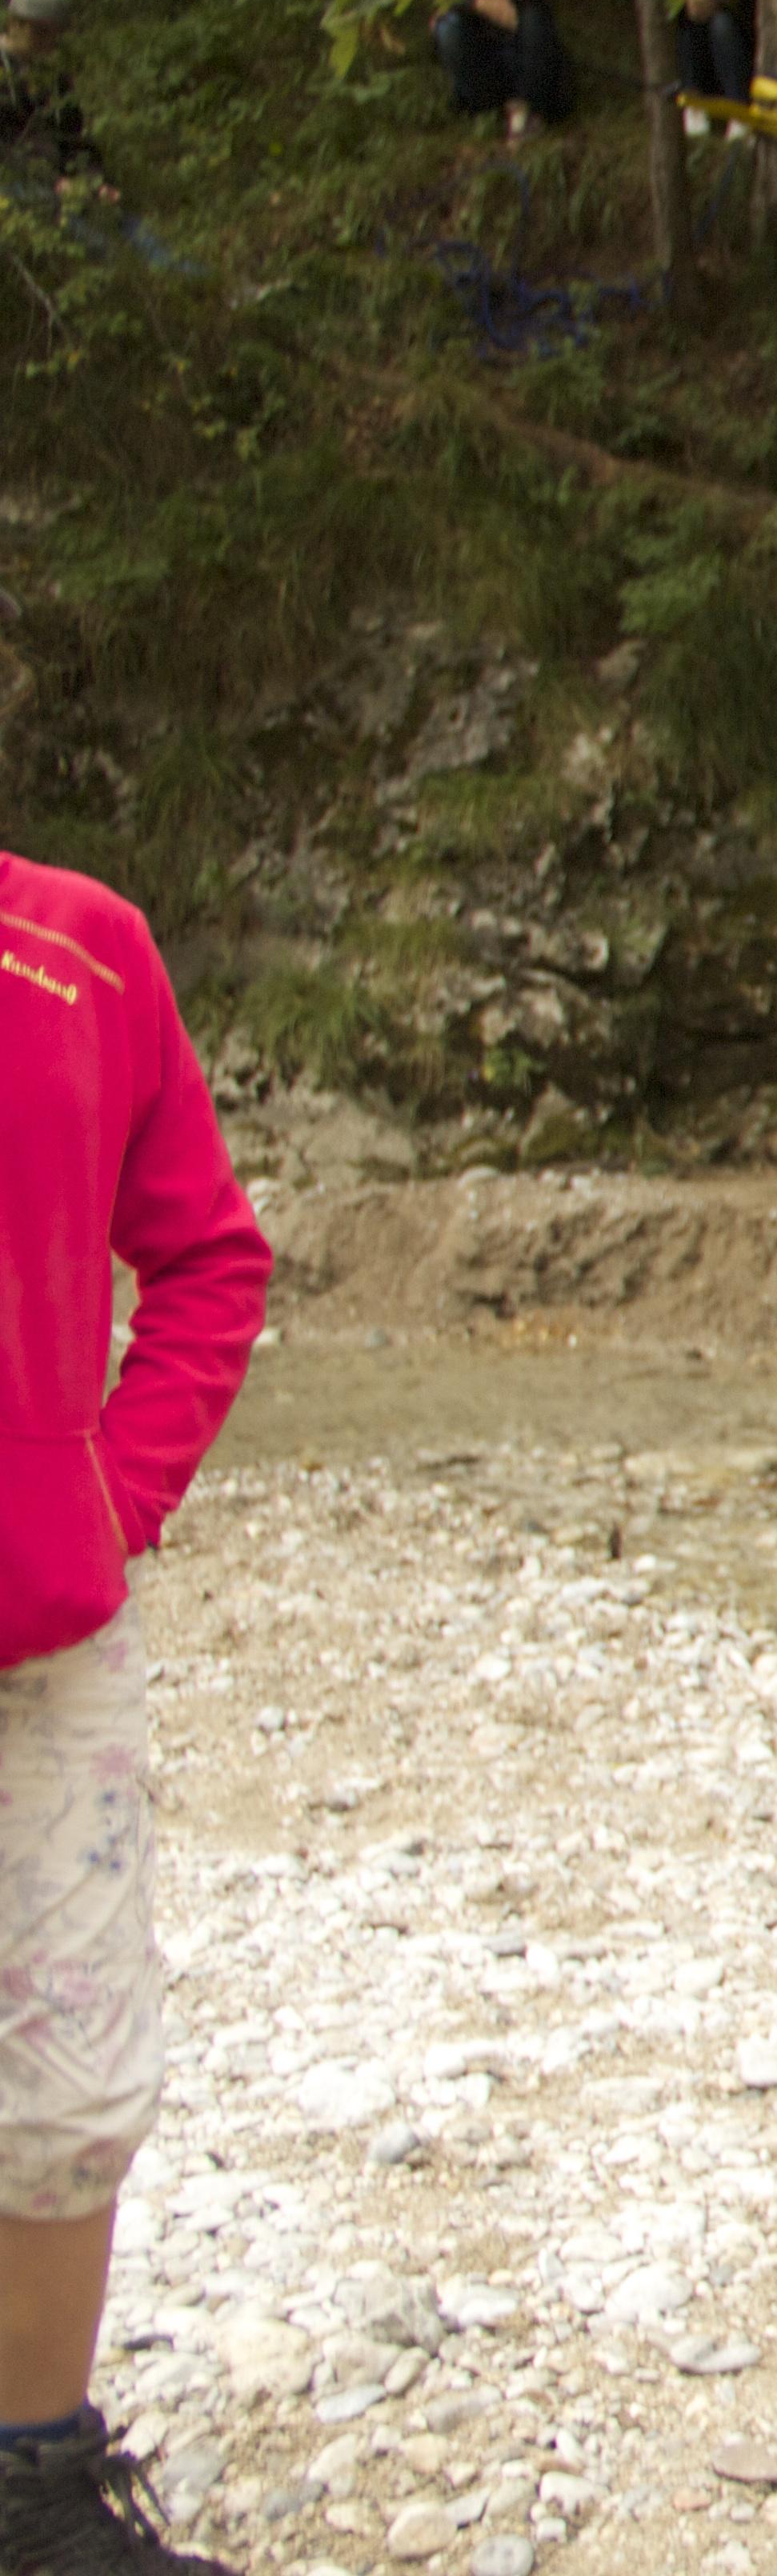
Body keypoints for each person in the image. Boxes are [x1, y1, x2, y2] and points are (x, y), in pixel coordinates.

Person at [1, 849, 272, 2576]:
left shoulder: (80, 950)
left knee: (70, 2074)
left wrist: (104, 1502)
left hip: (41, 1634)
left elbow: (209, 1261)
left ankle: (30, 2492)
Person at [432, 0, 570, 139]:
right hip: (487, 67)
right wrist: (478, 2)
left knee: (532, 16)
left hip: (531, 71)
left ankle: (529, 113)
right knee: (447, 25)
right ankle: (484, 112)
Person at [0, 0, 106, 195]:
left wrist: (93, 181)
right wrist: (52, 181)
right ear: (14, 24)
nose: (48, 41)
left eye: (55, 33)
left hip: (57, 182)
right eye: (40, 32)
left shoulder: (55, 78)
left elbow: (74, 137)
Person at [670, 0, 752, 126]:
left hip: (740, 51)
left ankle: (739, 111)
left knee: (722, 24)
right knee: (687, 21)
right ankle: (694, 103)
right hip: (705, 61)